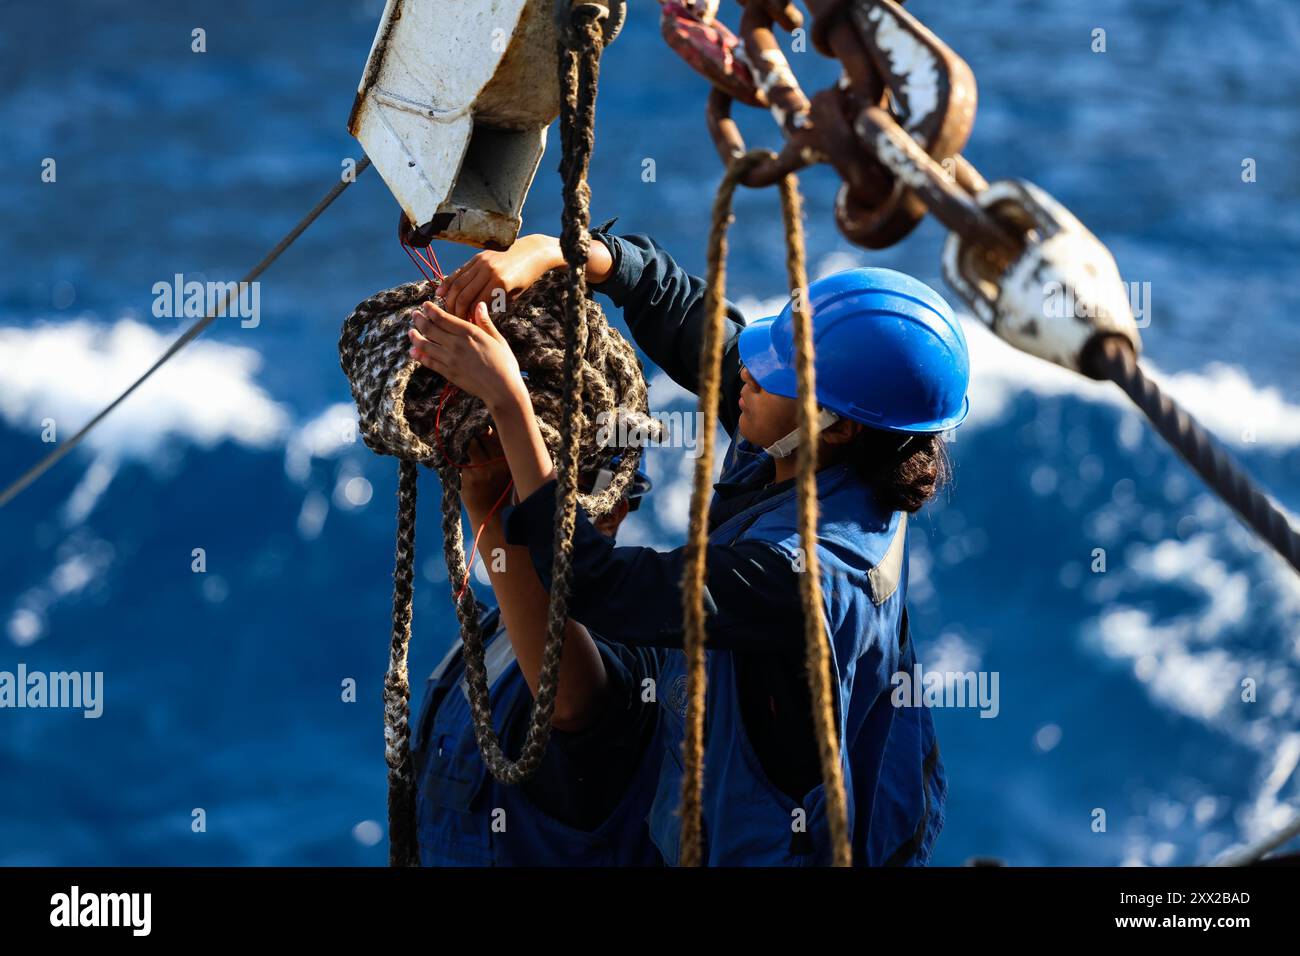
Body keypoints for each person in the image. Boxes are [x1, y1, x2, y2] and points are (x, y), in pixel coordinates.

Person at [408, 224, 966, 866]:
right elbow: (699, 333)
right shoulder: (828, 459)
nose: (749, 372)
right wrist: (569, 254)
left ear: (831, 426)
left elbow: (593, 585)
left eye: (775, 372)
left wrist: (510, 403)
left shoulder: (795, 579)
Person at [409, 443, 664, 867]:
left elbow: (569, 704)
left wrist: (484, 509)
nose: (520, 489)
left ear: (611, 509)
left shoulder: (629, 643)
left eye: (539, 479)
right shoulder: (486, 637)